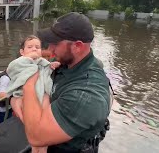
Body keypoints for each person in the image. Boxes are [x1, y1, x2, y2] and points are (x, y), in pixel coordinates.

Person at [10, 12, 112, 153]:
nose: (50, 49)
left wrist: (28, 85)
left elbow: (36, 136)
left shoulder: (86, 96)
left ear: (77, 46)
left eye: (55, 43)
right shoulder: (69, 61)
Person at [6, 35, 60, 153]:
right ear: (22, 52)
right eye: (30, 47)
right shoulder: (19, 63)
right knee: (34, 136)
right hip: (27, 98)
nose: (34, 49)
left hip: (43, 97)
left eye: (37, 47)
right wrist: (28, 58)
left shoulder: (43, 62)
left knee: (43, 136)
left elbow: (46, 74)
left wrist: (51, 66)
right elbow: (11, 69)